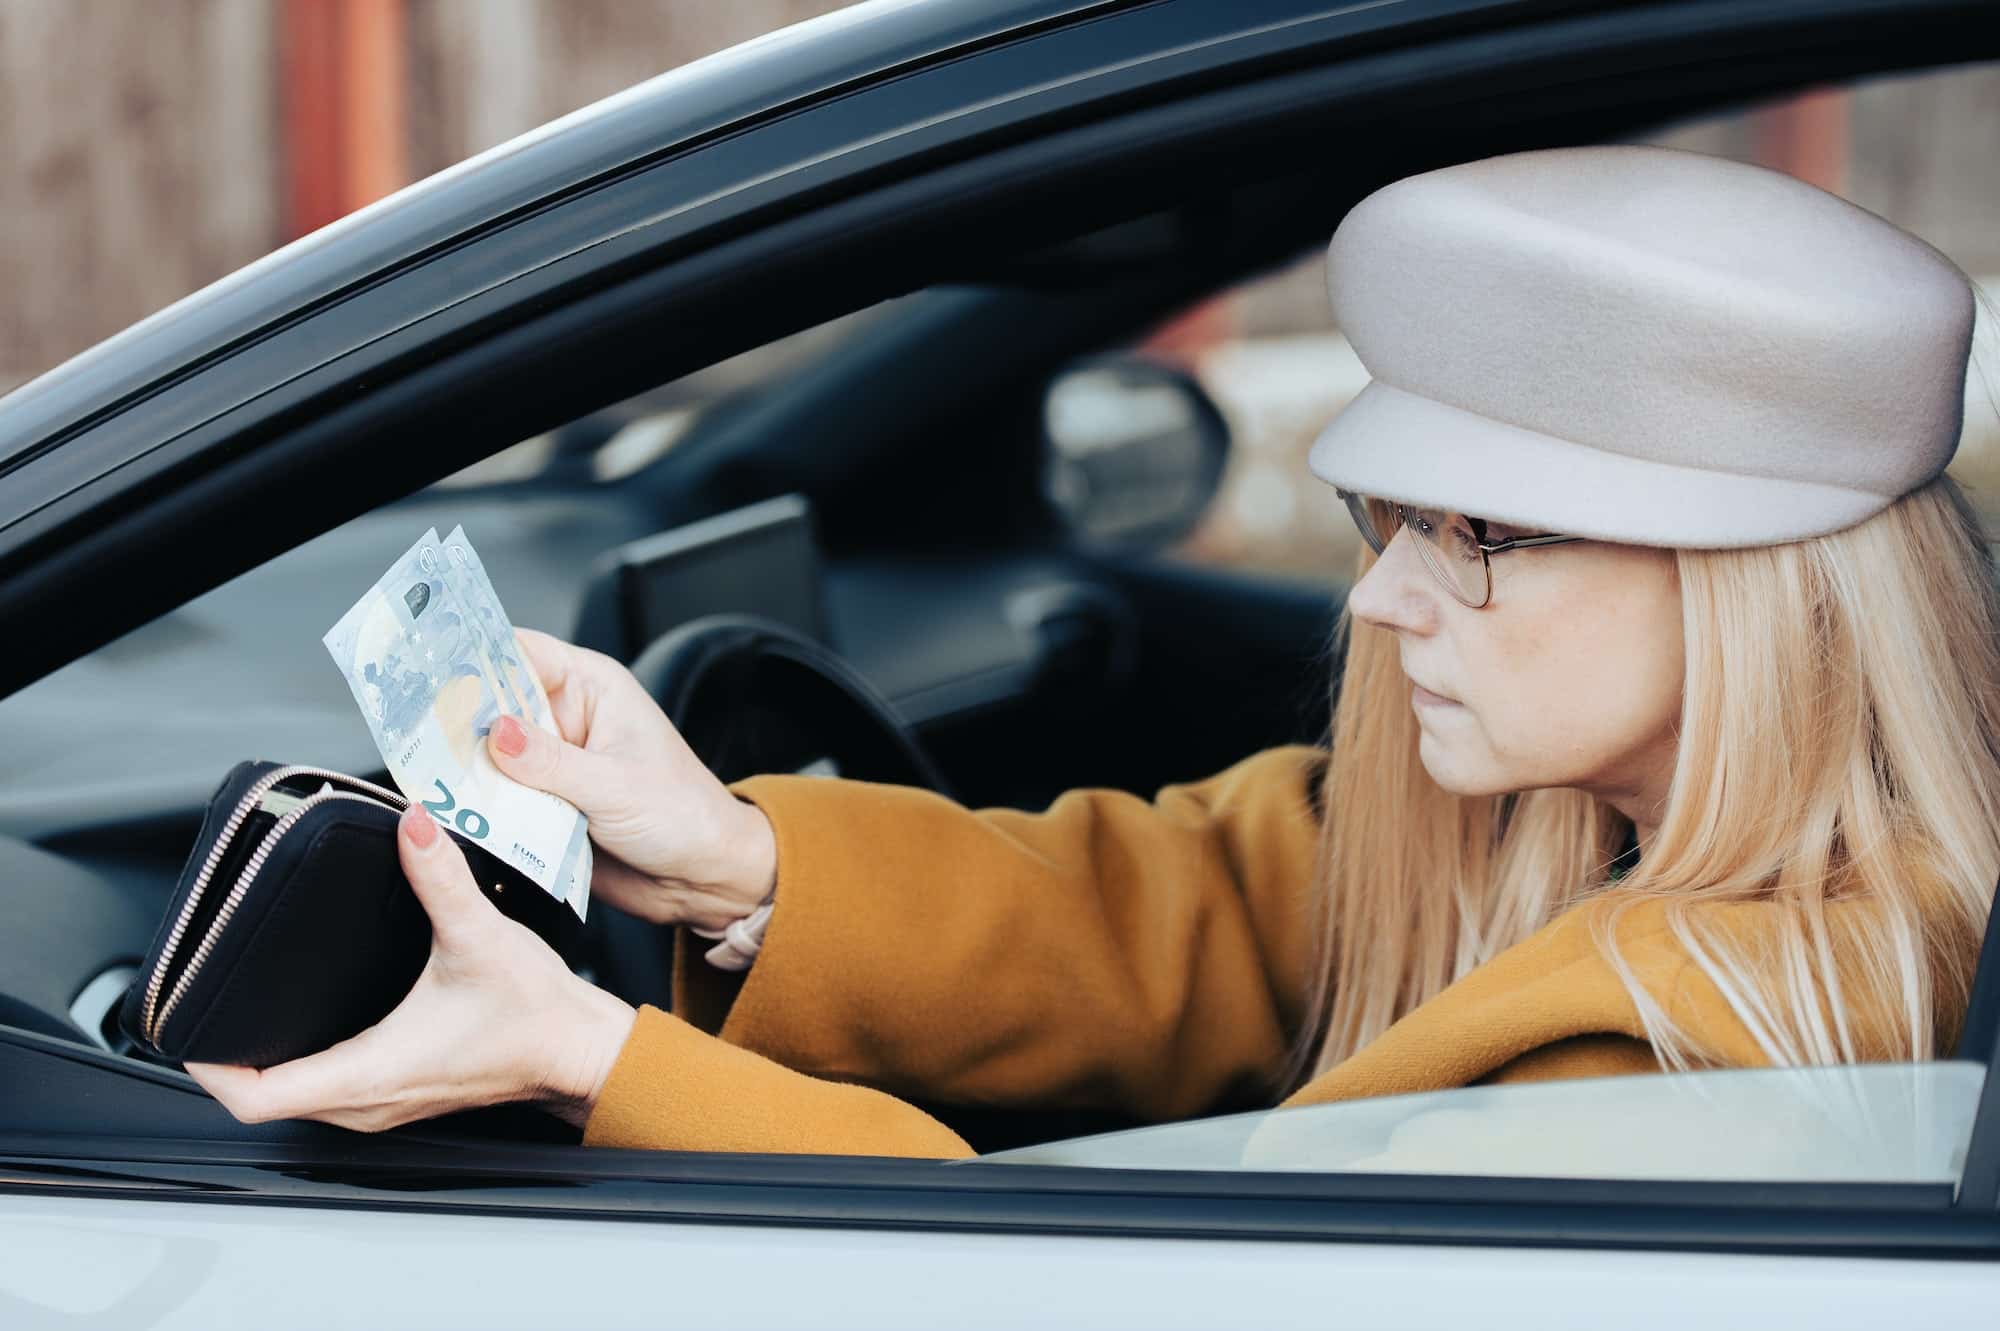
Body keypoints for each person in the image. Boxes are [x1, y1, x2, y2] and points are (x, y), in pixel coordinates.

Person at [189, 143, 2000, 1161]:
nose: (1384, 601)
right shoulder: (1559, 821)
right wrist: (738, 860)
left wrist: (597, 1061)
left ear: (1758, 590)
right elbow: (1196, 907)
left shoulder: (1685, 1071)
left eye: (1488, 540)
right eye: (1392, 525)